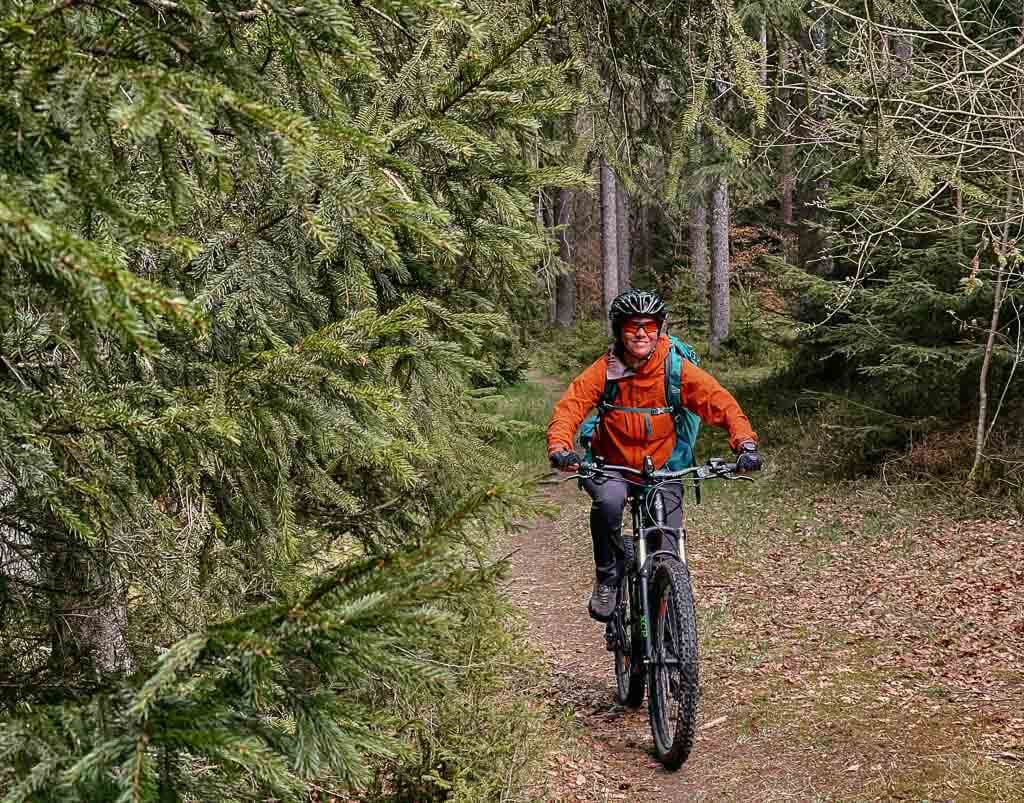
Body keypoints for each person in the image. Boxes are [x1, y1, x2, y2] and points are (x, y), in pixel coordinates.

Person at [546, 288, 762, 622]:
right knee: (608, 503)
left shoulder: (675, 369)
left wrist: (744, 443)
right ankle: (607, 577)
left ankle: (669, 628)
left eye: (649, 326)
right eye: (633, 326)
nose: (642, 334)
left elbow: (718, 402)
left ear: (659, 329)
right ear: (620, 330)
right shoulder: (606, 369)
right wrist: (560, 445)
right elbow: (570, 407)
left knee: (667, 544)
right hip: (613, 464)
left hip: (663, 467)